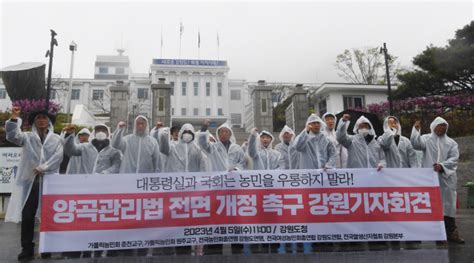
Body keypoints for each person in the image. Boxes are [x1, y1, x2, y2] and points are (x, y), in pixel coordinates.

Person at [5, 106, 63, 261]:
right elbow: (12, 136)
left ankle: (47, 247)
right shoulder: (27, 137)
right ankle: (27, 248)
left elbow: (59, 156)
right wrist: (13, 118)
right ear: (34, 122)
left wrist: (44, 167)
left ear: (49, 121)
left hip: (50, 183)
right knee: (28, 215)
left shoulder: (56, 139)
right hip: (30, 182)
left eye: (44, 118)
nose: (42, 120)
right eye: (38, 118)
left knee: (48, 215)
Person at [111, 115, 161, 257]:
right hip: (126, 184)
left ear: (146, 125)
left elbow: (157, 164)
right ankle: (126, 246)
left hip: (145, 186)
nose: (140, 126)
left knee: (143, 216)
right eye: (138, 124)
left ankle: (142, 246)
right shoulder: (126, 140)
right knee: (128, 214)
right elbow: (115, 144)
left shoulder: (152, 142)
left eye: (142, 124)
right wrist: (119, 130)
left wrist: (155, 184)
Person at [411, 117, 464, 243]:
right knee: (431, 205)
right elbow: (416, 144)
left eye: (444, 126)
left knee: (448, 206)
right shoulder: (426, 139)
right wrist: (416, 130)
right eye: (439, 126)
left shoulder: (451, 143)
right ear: (433, 126)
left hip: (447, 178)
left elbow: (454, 159)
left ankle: (451, 233)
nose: (442, 128)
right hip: (430, 179)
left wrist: (442, 166)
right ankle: (437, 235)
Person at [198, 121, 245, 255]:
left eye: (226, 132)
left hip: (234, 190)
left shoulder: (237, 148)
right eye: (221, 132)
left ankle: (237, 250)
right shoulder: (214, 147)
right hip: (217, 190)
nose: (223, 134)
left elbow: (243, 163)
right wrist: (203, 128)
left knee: (235, 219)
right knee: (216, 218)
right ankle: (213, 250)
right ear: (218, 134)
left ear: (230, 134)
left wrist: (236, 169)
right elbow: (202, 144)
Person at [293, 114, 336, 254]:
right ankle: (309, 237)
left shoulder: (327, 139)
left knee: (324, 208)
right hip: (308, 180)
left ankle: (325, 238)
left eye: (318, 123)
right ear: (308, 125)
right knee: (308, 208)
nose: (316, 125)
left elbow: (332, 154)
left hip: (324, 180)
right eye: (313, 123)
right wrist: (304, 131)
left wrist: (329, 165)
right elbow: (297, 146)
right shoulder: (304, 139)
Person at [274, 125, 298, 254]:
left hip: (296, 182)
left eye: (289, 133)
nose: (287, 135)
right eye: (285, 134)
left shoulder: (297, 146)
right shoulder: (277, 148)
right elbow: (278, 164)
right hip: (282, 183)